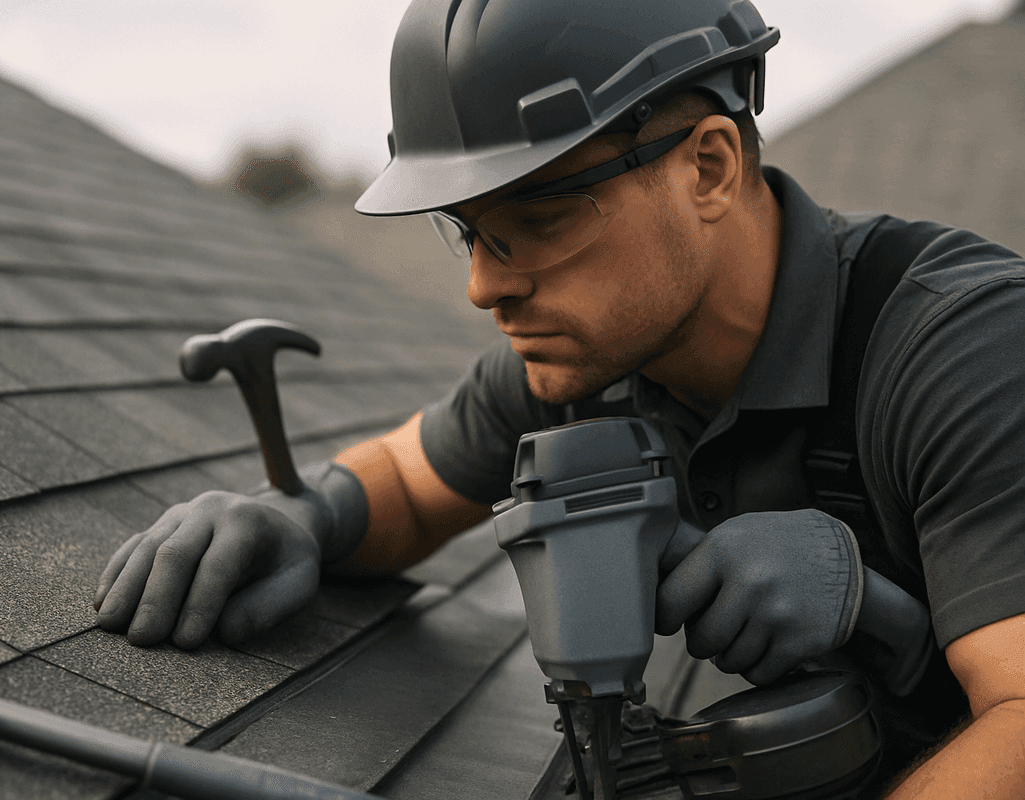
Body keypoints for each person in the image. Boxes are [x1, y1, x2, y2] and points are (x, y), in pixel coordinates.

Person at [94, 0, 1025, 797]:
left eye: (537, 222)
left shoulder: (961, 349)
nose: (485, 287)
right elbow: (412, 485)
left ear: (708, 167)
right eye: (471, 234)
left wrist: (879, 608)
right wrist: (303, 518)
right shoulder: (588, 360)